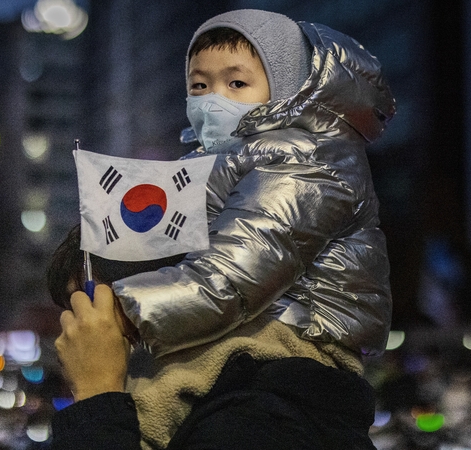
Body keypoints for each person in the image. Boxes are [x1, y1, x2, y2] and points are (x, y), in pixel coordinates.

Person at [53, 8, 396, 449]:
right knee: (156, 393)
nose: (213, 98)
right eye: (199, 85)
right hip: (245, 329)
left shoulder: (308, 161)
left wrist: (125, 312)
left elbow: (229, 278)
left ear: (289, 90)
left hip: (294, 335)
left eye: (236, 83)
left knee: (152, 401)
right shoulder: (216, 162)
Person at [49, 225, 378, 449]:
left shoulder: (259, 418)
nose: (81, 327)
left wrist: (97, 391)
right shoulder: (199, 400)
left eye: (96, 304)